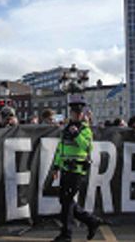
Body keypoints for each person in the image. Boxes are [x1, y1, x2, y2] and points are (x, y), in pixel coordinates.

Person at [51, 94, 104, 242]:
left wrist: (76, 135)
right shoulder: (66, 128)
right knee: (65, 201)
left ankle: (66, 235)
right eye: (74, 112)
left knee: (67, 202)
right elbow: (60, 149)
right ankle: (91, 221)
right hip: (65, 169)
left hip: (77, 171)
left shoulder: (85, 129)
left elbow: (87, 147)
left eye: (79, 112)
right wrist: (55, 166)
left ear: (82, 114)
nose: (76, 114)